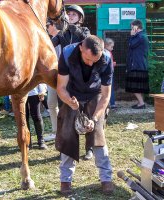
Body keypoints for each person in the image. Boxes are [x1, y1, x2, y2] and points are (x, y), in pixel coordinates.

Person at [56, 35, 114, 196]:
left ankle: (106, 178)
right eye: (88, 59)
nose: (91, 63)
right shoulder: (67, 54)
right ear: (81, 47)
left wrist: (95, 119)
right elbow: (60, 87)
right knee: (67, 136)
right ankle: (65, 180)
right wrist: (69, 101)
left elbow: (106, 95)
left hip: (94, 95)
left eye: (95, 60)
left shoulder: (106, 59)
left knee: (98, 136)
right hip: (71, 94)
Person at [52, 5, 93, 160]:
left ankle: (89, 148)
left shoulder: (85, 31)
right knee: (66, 114)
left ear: (80, 18)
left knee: (87, 112)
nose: (70, 16)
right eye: (68, 14)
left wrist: (72, 27)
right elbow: (50, 44)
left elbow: (87, 41)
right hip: (65, 78)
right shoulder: (62, 33)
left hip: (83, 79)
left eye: (74, 14)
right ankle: (67, 148)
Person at [43, 20, 61, 142]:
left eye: (48, 25)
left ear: (54, 25)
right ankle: (56, 131)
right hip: (53, 77)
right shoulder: (50, 40)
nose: (46, 28)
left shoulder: (63, 37)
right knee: (51, 103)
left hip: (64, 77)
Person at [125, 19, 149, 109]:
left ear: (136, 27)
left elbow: (131, 45)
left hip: (137, 65)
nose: (131, 29)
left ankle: (141, 103)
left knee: (135, 85)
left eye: (132, 27)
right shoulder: (141, 36)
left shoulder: (140, 36)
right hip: (138, 64)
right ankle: (140, 102)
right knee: (138, 85)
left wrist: (132, 36)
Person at [26, 84, 48, 150]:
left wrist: (42, 91)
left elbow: (39, 75)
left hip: (33, 92)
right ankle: (27, 142)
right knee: (23, 118)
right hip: (19, 93)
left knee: (37, 117)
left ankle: (41, 141)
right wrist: (11, 96)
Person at [104, 38, 117, 109]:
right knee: (110, 89)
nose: (112, 48)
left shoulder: (107, 52)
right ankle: (112, 104)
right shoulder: (106, 53)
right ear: (106, 45)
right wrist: (112, 64)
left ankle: (110, 103)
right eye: (111, 47)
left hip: (108, 73)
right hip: (108, 73)